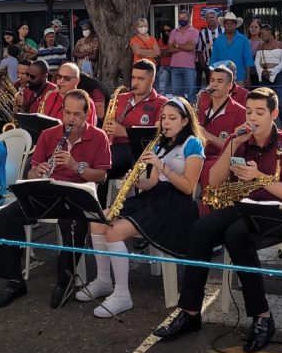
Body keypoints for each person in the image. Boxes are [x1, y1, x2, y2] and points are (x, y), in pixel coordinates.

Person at [154, 88, 282, 352]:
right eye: (249, 111)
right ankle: (190, 311)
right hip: (243, 206)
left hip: (278, 211)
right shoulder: (240, 139)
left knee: (236, 235)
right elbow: (213, 181)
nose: (252, 118)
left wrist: (258, 177)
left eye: (260, 112)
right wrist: (234, 144)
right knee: (200, 229)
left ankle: (262, 316)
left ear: (274, 114)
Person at [77, 98, 204, 317]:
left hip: (176, 205)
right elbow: (153, 182)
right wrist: (136, 182)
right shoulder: (160, 143)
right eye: (163, 118)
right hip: (154, 197)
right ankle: (103, 280)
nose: (165, 122)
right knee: (98, 222)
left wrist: (161, 164)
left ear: (185, 121)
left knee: (114, 231)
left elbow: (188, 187)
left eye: (172, 118)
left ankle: (122, 294)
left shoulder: (193, 144)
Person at [0, 89, 112, 309]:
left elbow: (102, 176)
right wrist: (36, 172)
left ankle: (64, 281)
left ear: (87, 114)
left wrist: (76, 166)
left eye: (76, 114)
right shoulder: (49, 135)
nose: (70, 119)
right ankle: (14, 281)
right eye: (67, 113)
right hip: (47, 192)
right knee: (7, 216)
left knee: (72, 225)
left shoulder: (98, 137)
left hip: (76, 194)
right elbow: (31, 173)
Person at [103, 59, 168, 195]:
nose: (135, 83)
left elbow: (158, 134)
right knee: (97, 163)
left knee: (104, 163)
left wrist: (124, 132)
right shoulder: (120, 98)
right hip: (115, 148)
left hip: (140, 152)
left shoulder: (161, 102)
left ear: (151, 80)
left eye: (140, 79)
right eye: (133, 78)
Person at [209, 12, 253, 89]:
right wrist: (212, 79)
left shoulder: (243, 39)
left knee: (241, 96)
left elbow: (248, 59)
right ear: (224, 25)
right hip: (222, 79)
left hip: (240, 77)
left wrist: (248, 77)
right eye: (227, 23)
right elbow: (213, 61)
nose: (229, 25)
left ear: (236, 25)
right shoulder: (218, 40)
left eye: (232, 23)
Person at [253, 24, 282, 117]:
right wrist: (261, 71)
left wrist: (273, 71)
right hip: (265, 76)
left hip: (278, 76)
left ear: (269, 32)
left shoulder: (281, 44)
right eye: (260, 34)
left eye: (263, 34)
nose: (261, 36)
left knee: (279, 103)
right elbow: (257, 62)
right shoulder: (260, 46)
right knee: (264, 102)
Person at [167, 8, 200, 101]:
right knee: (177, 93)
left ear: (188, 18)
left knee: (191, 92)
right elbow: (169, 49)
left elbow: (191, 47)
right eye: (180, 18)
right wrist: (185, 46)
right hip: (175, 66)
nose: (182, 20)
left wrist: (177, 45)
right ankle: (179, 109)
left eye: (184, 18)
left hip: (189, 66)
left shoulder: (194, 31)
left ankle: (192, 108)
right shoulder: (174, 31)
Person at [197, 8, 224, 86]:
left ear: (216, 18)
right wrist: (203, 66)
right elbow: (199, 50)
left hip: (223, 64)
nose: (211, 19)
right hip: (209, 65)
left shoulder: (223, 30)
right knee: (211, 87)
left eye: (212, 17)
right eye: (208, 17)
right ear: (206, 19)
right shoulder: (202, 32)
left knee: (223, 85)